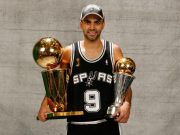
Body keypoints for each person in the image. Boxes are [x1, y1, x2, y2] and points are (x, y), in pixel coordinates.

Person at [38, 4, 132, 135]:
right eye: (88, 22)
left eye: (97, 22)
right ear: (81, 24)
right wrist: (46, 104)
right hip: (78, 127)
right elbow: (58, 86)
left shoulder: (114, 51)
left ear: (103, 24)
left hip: (107, 126)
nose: (92, 27)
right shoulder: (68, 52)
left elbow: (124, 84)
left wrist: (127, 103)